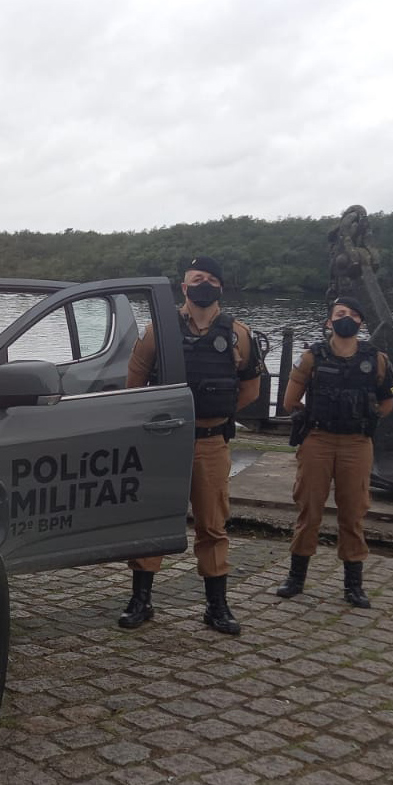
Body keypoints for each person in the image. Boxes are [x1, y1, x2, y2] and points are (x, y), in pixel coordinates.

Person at [119, 256, 264, 635]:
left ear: (220, 287)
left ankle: (217, 606)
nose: (204, 284)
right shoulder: (159, 332)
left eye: (211, 279)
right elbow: (134, 384)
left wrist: (219, 409)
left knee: (212, 525)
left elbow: (251, 388)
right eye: (197, 278)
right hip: (165, 442)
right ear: (184, 287)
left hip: (211, 442)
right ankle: (141, 600)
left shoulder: (239, 335)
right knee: (154, 518)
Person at [275, 295, 393, 607]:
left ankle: (353, 585)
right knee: (309, 508)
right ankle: (296, 577)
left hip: (356, 444)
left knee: (353, 512)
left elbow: (387, 402)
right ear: (329, 321)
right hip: (318, 440)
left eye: (353, 315)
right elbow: (290, 402)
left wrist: (365, 418)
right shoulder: (312, 357)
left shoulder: (377, 359)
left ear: (361, 323)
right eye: (340, 313)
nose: (347, 319)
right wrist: (314, 418)